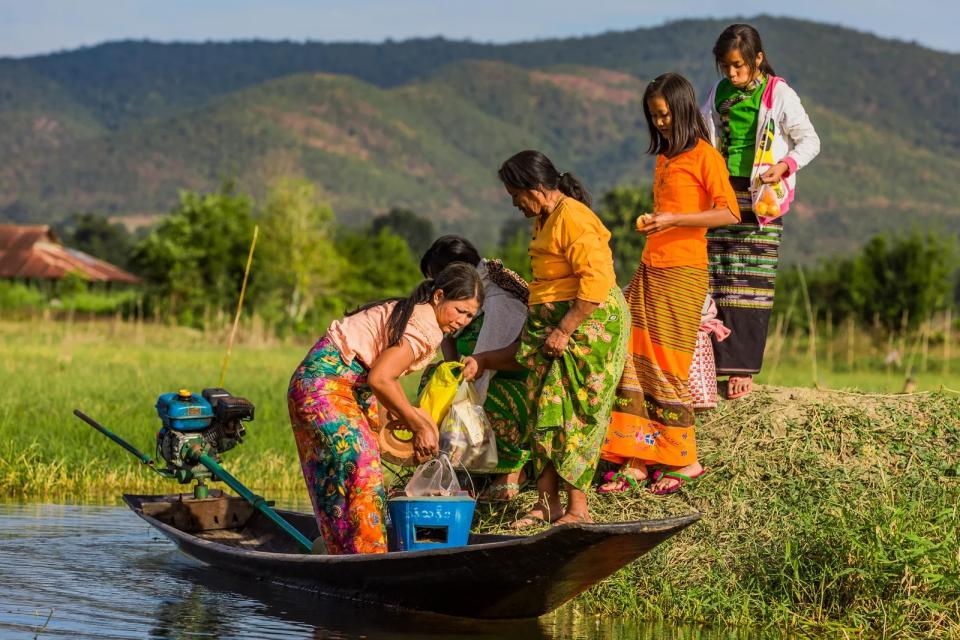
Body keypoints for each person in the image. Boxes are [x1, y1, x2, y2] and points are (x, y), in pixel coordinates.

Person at [464, 150, 628, 528]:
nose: (515, 203)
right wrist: (487, 358)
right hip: (554, 322)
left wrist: (564, 328)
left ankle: (577, 509)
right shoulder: (545, 219)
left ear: (536, 188)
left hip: (584, 325)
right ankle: (545, 503)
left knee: (572, 413)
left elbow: (597, 283)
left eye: (515, 194)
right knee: (543, 412)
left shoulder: (574, 218)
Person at [600, 72, 740, 495]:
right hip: (650, 267)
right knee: (633, 359)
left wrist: (675, 219)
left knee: (666, 366)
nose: (659, 123)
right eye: (652, 116)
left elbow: (729, 213)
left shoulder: (705, 157)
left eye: (663, 114)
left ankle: (686, 459)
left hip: (683, 273)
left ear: (680, 110)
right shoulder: (664, 159)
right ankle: (638, 459)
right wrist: (658, 221)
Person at [287, 263, 483, 554]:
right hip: (325, 383)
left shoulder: (424, 318)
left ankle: (342, 552)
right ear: (439, 296)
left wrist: (411, 420)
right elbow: (380, 378)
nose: (463, 321)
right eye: (460, 310)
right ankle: (366, 557)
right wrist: (417, 425)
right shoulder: (425, 326)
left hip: (345, 384)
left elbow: (379, 379)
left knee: (347, 473)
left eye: (470, 316)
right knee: (362, 469)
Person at [702, 23, 820, 399]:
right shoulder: (718, 93)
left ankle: (742, 368)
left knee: (750, 284)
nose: (732, 74)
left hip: (761, 201)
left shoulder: (778, 94)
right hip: (722, 197)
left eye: (738, 66)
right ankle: (712, 363)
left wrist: (784, 166)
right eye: (726, 67)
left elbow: (810, 140)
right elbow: (704, 138)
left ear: (757, 59)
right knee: (717, 277)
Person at [418, 235, 532, 502]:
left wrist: (484, 362)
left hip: (511, 383)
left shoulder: (501, 300)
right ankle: (459, 466)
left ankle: (513, 468)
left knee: (490, 396)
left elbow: (521, 355)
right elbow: (449, 339)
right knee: (434, 378)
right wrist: (450, 368)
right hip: (475, 371)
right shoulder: (461, 298)